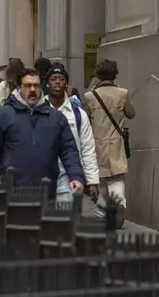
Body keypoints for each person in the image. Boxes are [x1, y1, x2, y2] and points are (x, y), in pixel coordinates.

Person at [0, 68, 85, 198]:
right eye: (27, 85)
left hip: (47, 192)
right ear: (19, 87)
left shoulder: (55, 118)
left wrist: (76, 177)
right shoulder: (4, 116)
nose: (32, 90)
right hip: (12, 193)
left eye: (36, 85)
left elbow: (69, 150)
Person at [83, 59, 135, 228]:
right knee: (116, 177)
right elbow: (131, 113)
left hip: (96, 144)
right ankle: (118, 201)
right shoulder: (123, 93)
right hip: (116, 144)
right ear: (115, 74)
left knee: (100, 179)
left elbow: (85, 118)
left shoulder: (90, 96)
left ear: (97, 75)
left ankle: (103, 209)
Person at [45, 66, 100, 203]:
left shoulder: (78, 114)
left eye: (61, 79)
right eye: (53, 79)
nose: (57, 82)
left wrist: (92, 181)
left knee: (66, 216)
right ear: (47, 83)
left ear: (67, 84)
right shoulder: (37, 111)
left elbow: (88, 148)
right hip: (42, 173)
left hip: (70, 175)